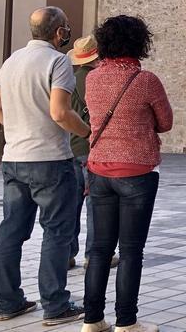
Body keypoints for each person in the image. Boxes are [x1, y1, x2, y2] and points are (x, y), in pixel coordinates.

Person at [0, 7, 90, 325]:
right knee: (57, 232)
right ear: (58, 32)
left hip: (15, 158)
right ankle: (55, 305)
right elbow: (59, 112)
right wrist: (87, 131)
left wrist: (18, 127)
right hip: (50, 161)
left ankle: (8, 302)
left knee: (11, 232)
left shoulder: (11, 62)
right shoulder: (58, 62)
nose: (67, 33)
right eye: (66, 28)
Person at [80, 15, 173, 332]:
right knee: (131, 250)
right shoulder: (146, 81)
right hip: (137, 171)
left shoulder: (92, 79)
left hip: (99, 170)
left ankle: (92, 319)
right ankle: (126, 321)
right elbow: (165, 123)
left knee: (100, 249)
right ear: (139, 43)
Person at [66, 35, 119, 271]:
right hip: (94, 147)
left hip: (69, 147)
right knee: (96, 205)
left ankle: (66, 254)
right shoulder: (100, 80)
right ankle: (94, 255)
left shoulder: (67, 79)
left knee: (70, 206)